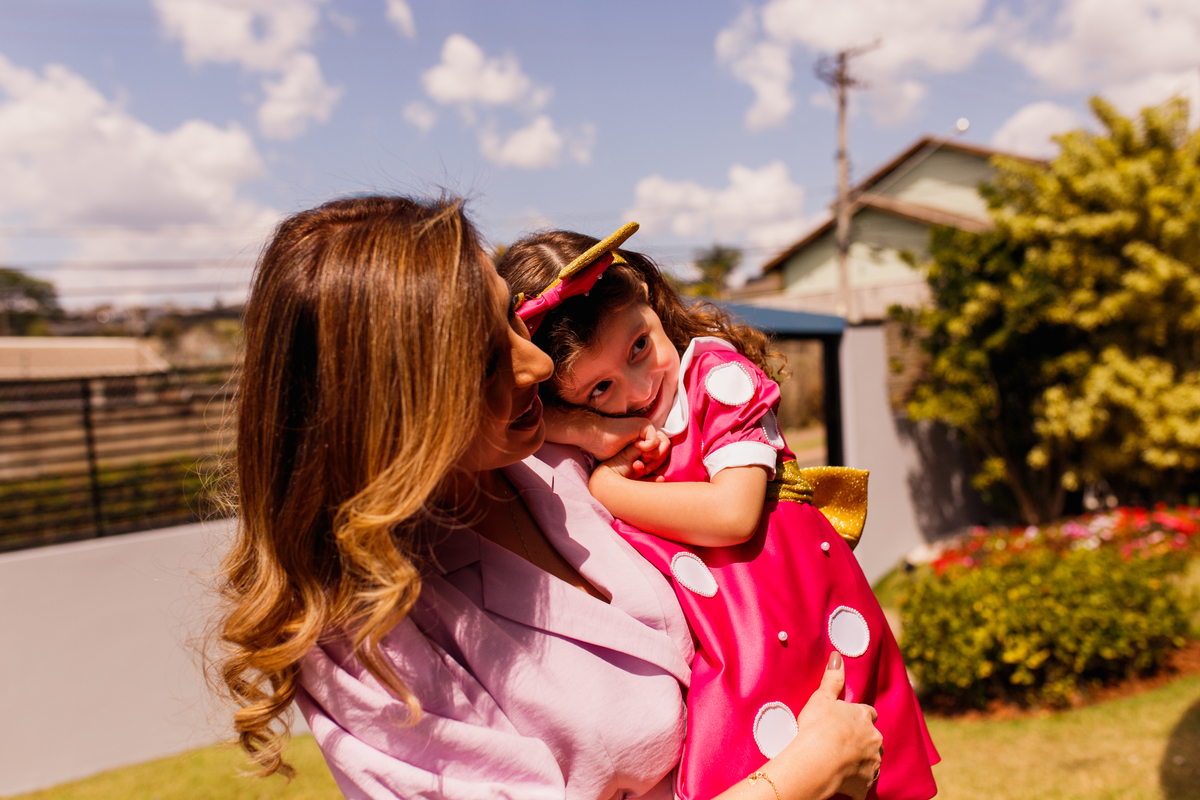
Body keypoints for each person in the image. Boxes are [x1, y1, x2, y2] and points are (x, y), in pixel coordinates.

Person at [211, 195, 884, 800]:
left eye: (510, 315)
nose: (535, 363)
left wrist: (591, 425)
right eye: (483, 357)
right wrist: (798, 778)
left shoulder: (547, 457)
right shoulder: (367, 640)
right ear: (393, 413)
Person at [497, 224, 938, 800]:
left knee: (815, 750)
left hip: (781, 610)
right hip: (729, 631)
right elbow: (525, 419)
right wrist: (594, 425)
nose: (638, 387)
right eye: (599, 388)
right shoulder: (618, 425)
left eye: (638, 346)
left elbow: (734, 513)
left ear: (650, 299)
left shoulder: (716, 375)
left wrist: (608, 484)